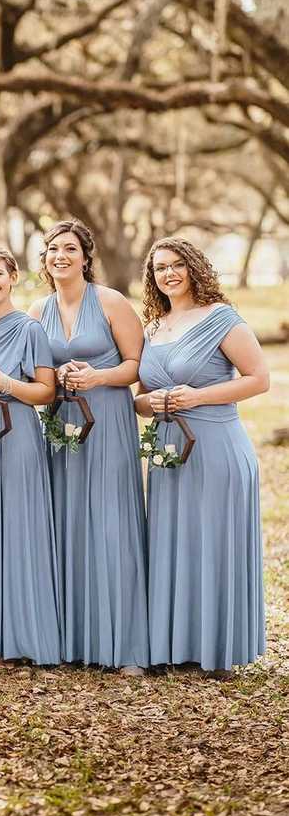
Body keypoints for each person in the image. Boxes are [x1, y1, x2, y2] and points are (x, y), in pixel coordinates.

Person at [135, 237, 268, 676]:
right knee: (173, 543)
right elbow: (140, 398)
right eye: (159, 269)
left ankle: (216, 651)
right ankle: (175, 645)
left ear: (193, 268)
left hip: (215, 448)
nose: (168, 274)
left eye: (176, 265)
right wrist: (150, 404)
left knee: (212, 544)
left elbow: (258, 379)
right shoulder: (153, 327)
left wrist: (198, 397)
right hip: (168, 450)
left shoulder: (221, 318)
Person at [30, 220, 149, 674]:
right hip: (64, 426)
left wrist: (98, 376)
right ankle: (77, 639)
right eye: (52, 249)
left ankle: (126, 645)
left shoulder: (111, 301)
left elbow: (136, 365)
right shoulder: (39, 310)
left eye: (69, 248)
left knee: (111, 521)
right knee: (69, 520)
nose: (60, 256)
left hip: (110, 422)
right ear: (45, 259)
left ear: (85, 256)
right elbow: (37, 371)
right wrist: (54, 379)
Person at [0, 244, 61, 666]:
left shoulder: (30, 329)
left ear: (13, 276)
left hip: (17, 430)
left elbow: (47, 391)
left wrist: (7, 384)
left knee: (17, 526)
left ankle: (20, 636)